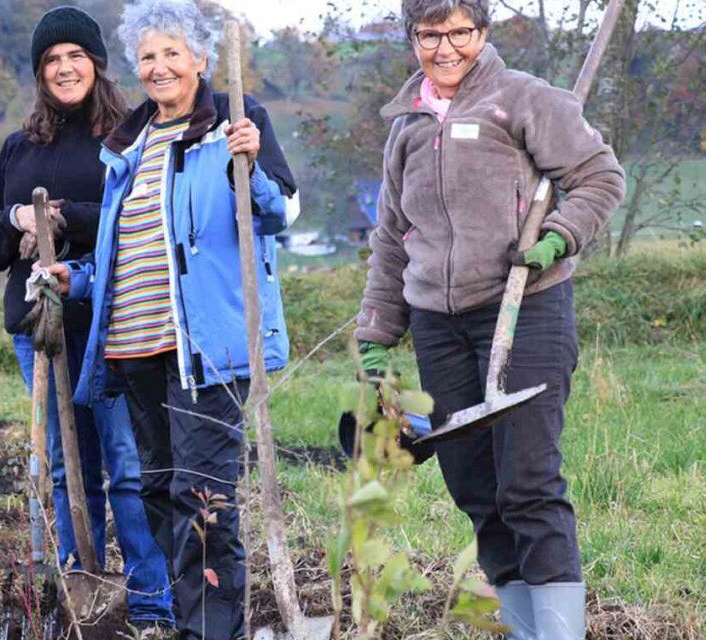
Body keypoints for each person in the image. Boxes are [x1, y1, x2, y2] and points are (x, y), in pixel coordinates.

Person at [355, 1, 625, 638]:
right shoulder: (407, 127)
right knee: (477, 487)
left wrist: (558, 236)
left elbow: (598, 177)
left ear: (482, 33)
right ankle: (528, 629)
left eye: (460, 33)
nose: (446, 48)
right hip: (437, 325)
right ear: (412, 38)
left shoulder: (523, 99)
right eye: (430, 34)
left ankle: (562, 633)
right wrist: (375, 333)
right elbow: (393, 238)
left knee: (528, 482)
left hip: (524, 307)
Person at [40, 1, 299, 637]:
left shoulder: (236, 123)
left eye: (172, 54)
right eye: (148, 57)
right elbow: (124, 252)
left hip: (206, 352)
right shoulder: (126, 147)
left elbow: (279, 215)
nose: (159, 68)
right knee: (158, 492)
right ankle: (192, 624)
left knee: (203, 501)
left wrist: (252, 164)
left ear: (202, 60)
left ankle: (215, 631)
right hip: (134, 351)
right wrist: (79, 279)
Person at [0, 6, 174, 631]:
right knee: (66, 467)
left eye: (75, 56)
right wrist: (16, 221)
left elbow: (137, 218)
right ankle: (78, 589)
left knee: (127, 467)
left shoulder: (128, 139)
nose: (64, 68)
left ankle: (150, 604)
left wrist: (66, 218)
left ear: (97, 64)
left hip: (114, 325)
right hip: (42, 330)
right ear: (39, 74)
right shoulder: (18, 148)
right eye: (51, 60)